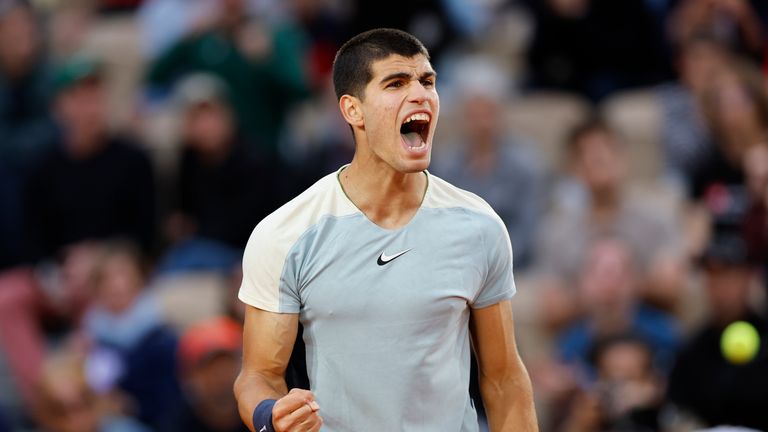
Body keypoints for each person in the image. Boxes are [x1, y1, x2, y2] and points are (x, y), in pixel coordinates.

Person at [233, 28, 537, 432]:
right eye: (396, 83)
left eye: (427, 81)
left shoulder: (479, 226)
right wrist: (268, 416)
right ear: (352, 110)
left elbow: (504, 380)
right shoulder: (286, 234)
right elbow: (258, 376)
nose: (420, 94)